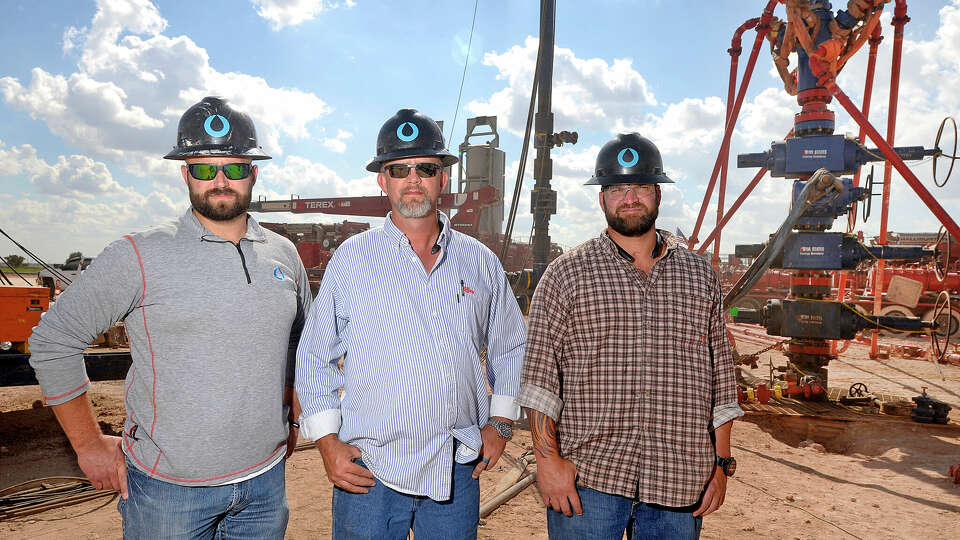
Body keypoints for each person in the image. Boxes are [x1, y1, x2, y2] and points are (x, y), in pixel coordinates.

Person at [29, 96, 312, 539]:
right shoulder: (139, 255)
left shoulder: (285, 254)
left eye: (234, 168)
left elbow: (299, 343)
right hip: (168, 494)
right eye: (204, 169)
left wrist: (291, 420)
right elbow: (53, 341)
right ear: (186, 174)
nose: (220, 181)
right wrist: (87, 445)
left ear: (253, 173)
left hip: (264, 484)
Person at [295, 108, 526, 539]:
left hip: (456, 464)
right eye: (399, 169)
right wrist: (326, 440)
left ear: (443, 178)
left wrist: (501, 422)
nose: (413, 178)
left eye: (426, 168)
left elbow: (511, 346)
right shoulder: (352, 259)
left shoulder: (479, 262)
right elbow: (314, 354)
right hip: (369, 468)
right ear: (383, 180)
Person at [516, 133, 743, 540]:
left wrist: (721, 464)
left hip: (679, 480)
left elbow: (721, 382)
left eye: (639, 186)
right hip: (589, 480)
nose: (629, 197)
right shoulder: (567, 275)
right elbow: (539, 381)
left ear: (657, 192)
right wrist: (548, 463)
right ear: (601, 198)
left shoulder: (699, 275)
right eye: (617, 188)